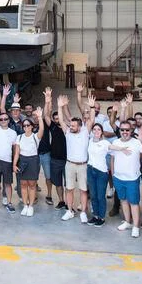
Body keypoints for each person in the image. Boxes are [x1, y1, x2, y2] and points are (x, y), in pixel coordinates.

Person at [110, 119, 142, 237]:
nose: (124, 132)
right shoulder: (116, 142)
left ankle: (136, 226)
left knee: (134, 203)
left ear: (131, 130)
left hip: (132, 179)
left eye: (127, 130)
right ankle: (128, 222)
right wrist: (113, 175)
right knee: (123, 200)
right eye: (122, 130)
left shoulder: (137, 142)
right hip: (118, 178)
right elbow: (112, 159)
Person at [57, 94, 93, 223]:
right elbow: (61, 120)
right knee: (69, 189)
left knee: (83, 190)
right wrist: (60, 107)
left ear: (79, 126)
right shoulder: (68, 133)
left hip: (83, 165)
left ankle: (83, 212)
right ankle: (70, 211)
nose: (70, 127)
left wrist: (92, 107)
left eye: (73, 126)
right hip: (70, 164)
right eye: (70, 125)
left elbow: (91, 120)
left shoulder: (85, 132)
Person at [13, 108, 46, 217]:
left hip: (33, 161)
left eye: (28, 125)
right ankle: (25, 205)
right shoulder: (19, 137)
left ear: (32, 126)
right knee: (23, 184)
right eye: (24, 126)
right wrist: (14, 164)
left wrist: (40, 117)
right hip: (22, 161)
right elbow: (17, 153)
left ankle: (31, 206)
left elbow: (41, 129)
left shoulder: (36, 137)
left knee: (32, 185)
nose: (26, 127)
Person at [42, 88, 67, 210]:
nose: (57, 120)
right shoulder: (52, 127)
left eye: (59, 118)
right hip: (55, 160)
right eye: (56, 118)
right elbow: (46, 115)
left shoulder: (68, 129)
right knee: (57, 183)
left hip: (67, 160)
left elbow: (67, 117)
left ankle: (69, 202)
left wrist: (63, 107)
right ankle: (61, 201)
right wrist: (47, 101)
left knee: (68, 184)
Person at [86, 122, 113, 226]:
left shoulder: (105, 143)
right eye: (95, 129)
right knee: (93, 195)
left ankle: (101, 217)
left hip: (101, 172)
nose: (96, 131)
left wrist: (123, 148)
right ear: (92, 131)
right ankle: (95, 215)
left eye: (99, 129)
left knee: (100, 196)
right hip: (90, 169)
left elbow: (113, 148)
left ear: (102, 132)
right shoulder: (90, 141)